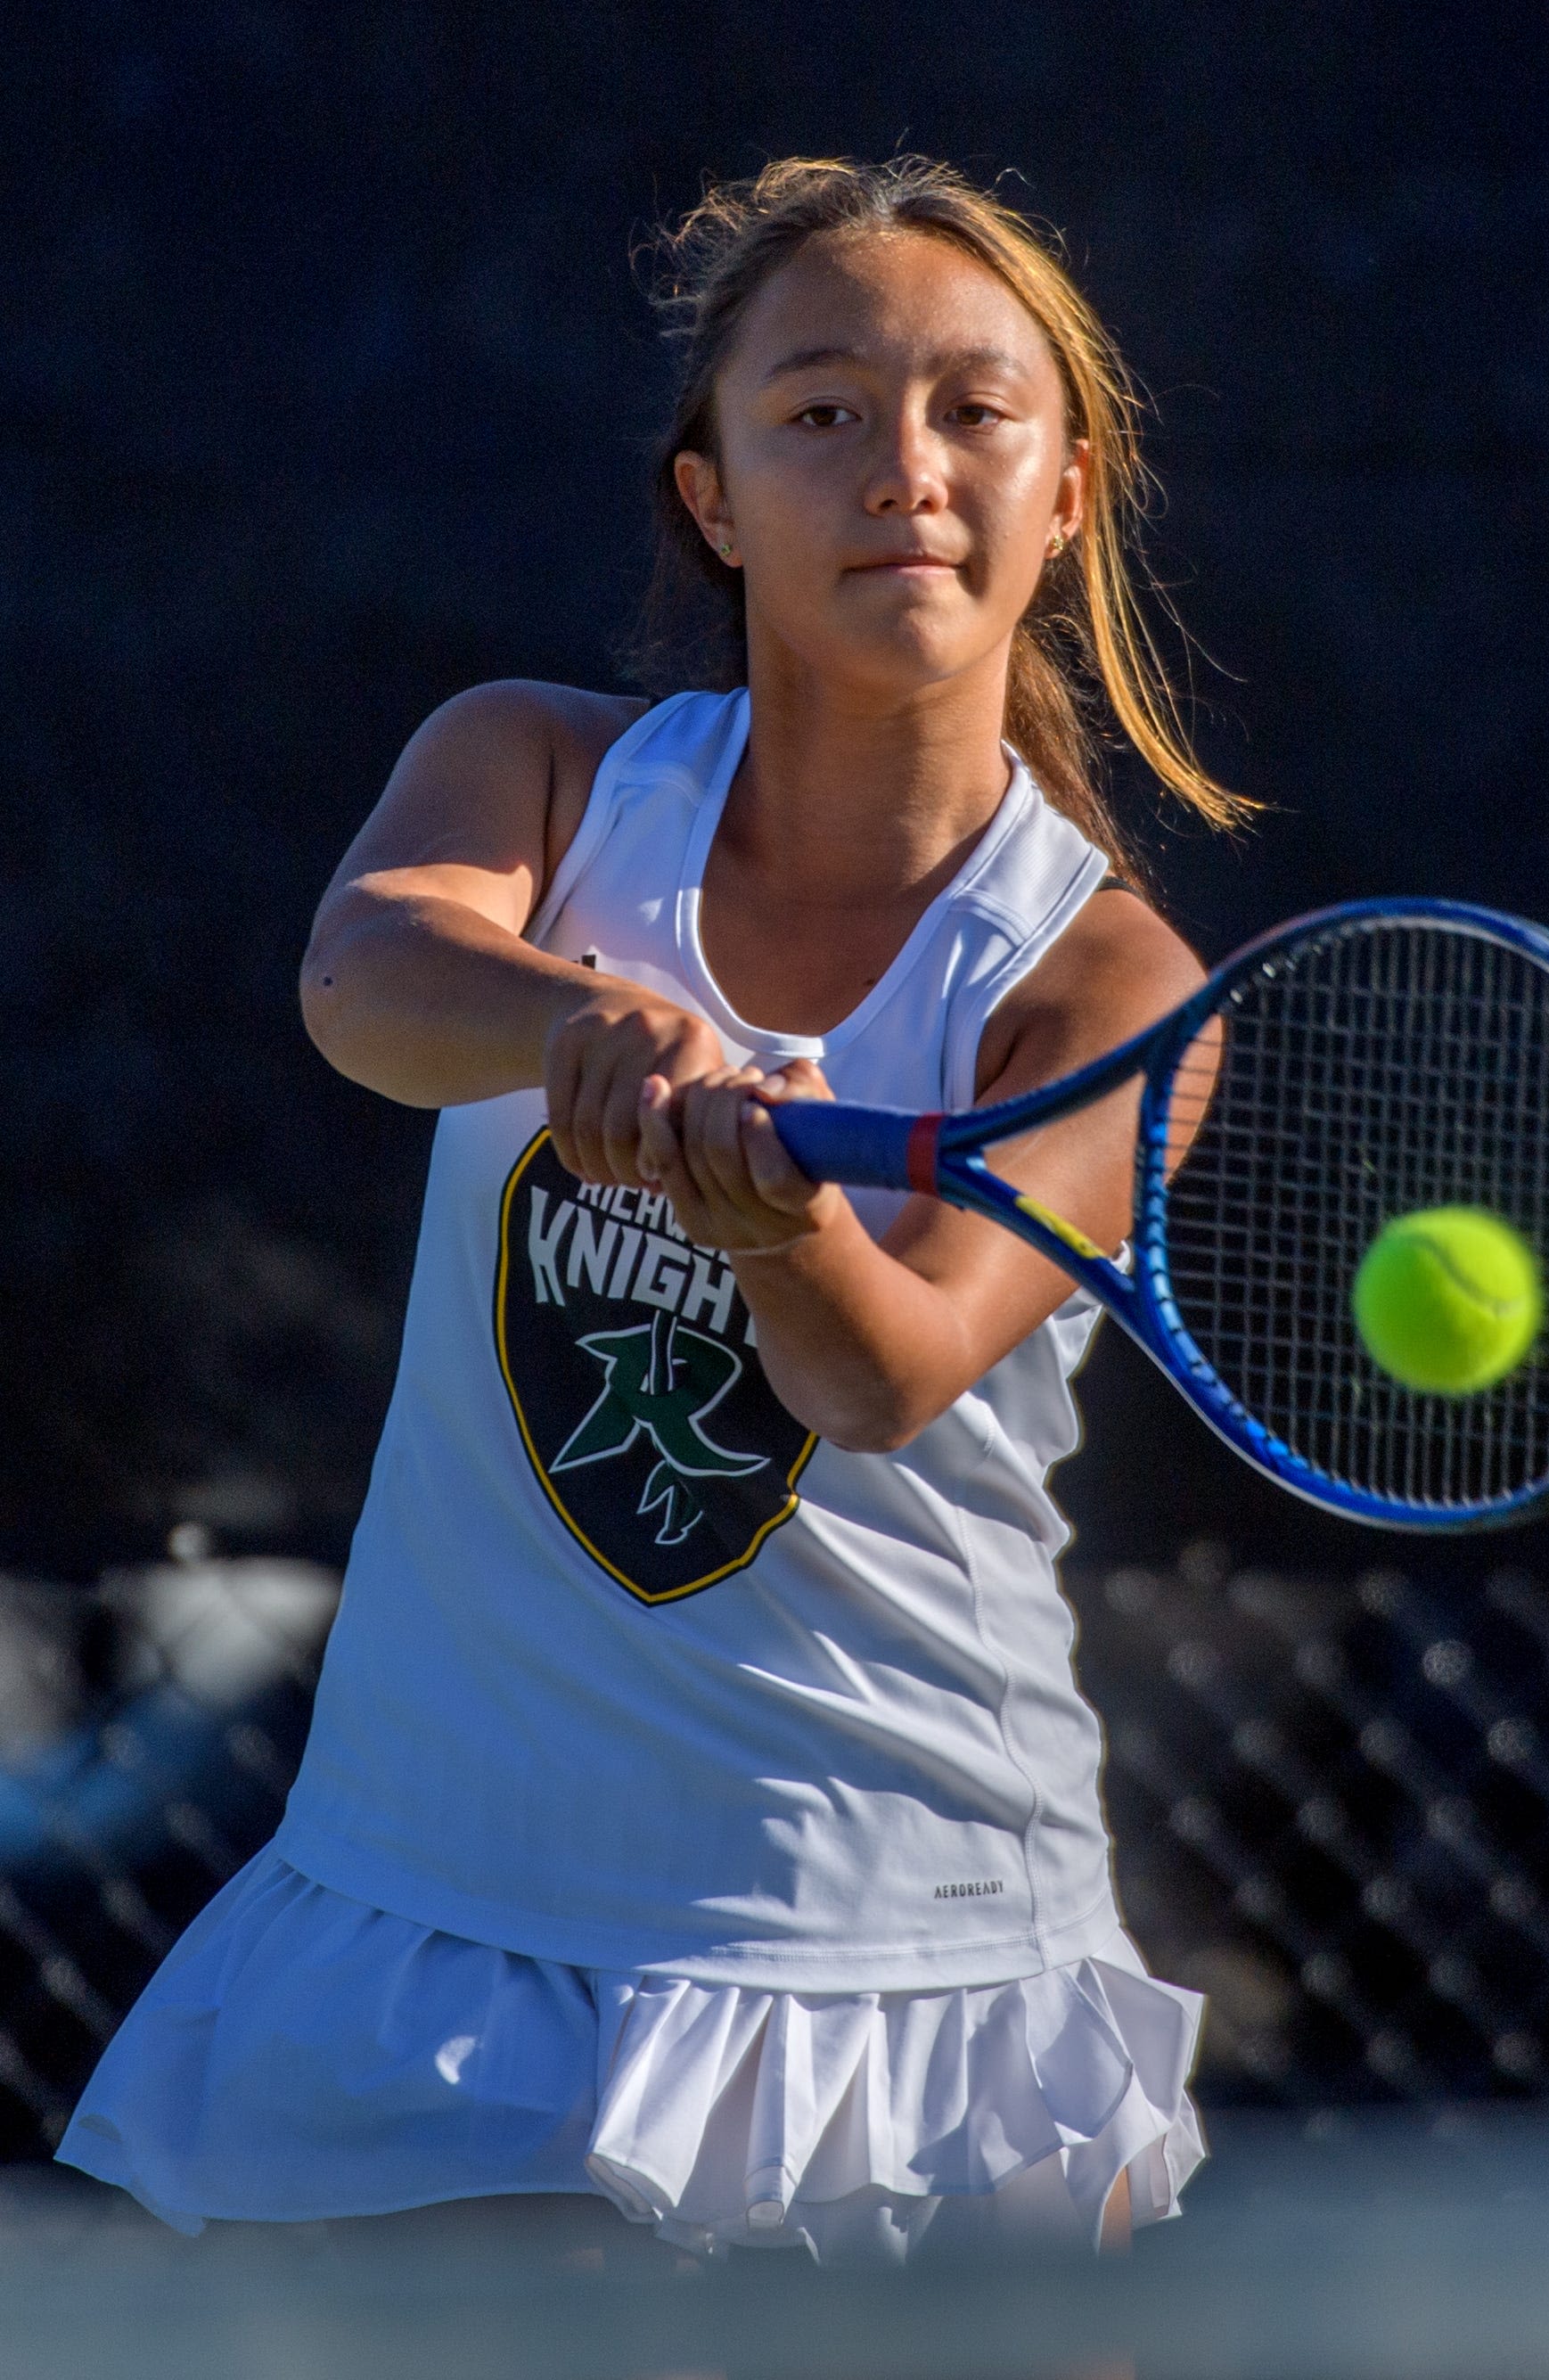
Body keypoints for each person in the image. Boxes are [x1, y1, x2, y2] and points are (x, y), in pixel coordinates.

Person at [59, 154, 1242, 2268]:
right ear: (711, 498)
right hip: (444, 1941)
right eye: (821, 411)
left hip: (912, 1982)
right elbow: (368, 981)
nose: (907, 467)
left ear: (1068, 493)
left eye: (978, 409)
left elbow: (887, 1375)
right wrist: (599, 1022)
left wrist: (777, 1222)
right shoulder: (533, 769)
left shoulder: (1106, 989)